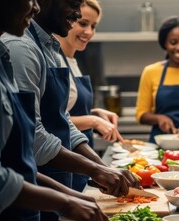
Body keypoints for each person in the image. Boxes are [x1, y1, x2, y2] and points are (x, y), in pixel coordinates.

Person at [1, 0, 139, 221]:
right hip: (31, 192)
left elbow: (63, 120)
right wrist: (92, 174)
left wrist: (101, 168)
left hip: (49, 181)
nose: (76, 14)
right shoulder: (20, 47)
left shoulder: (50, 48)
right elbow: (32, 137)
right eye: (73, 4)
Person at [56, 0, 124, 192]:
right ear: (68, 20)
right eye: (83, 23)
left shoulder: (73, 61)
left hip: (82, 161)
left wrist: (94, 112)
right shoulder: (55, 62)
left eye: (93, 26)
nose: (89, 32)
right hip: (63, 162)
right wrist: (92, 121)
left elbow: (66, 109)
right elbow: (50, 120)